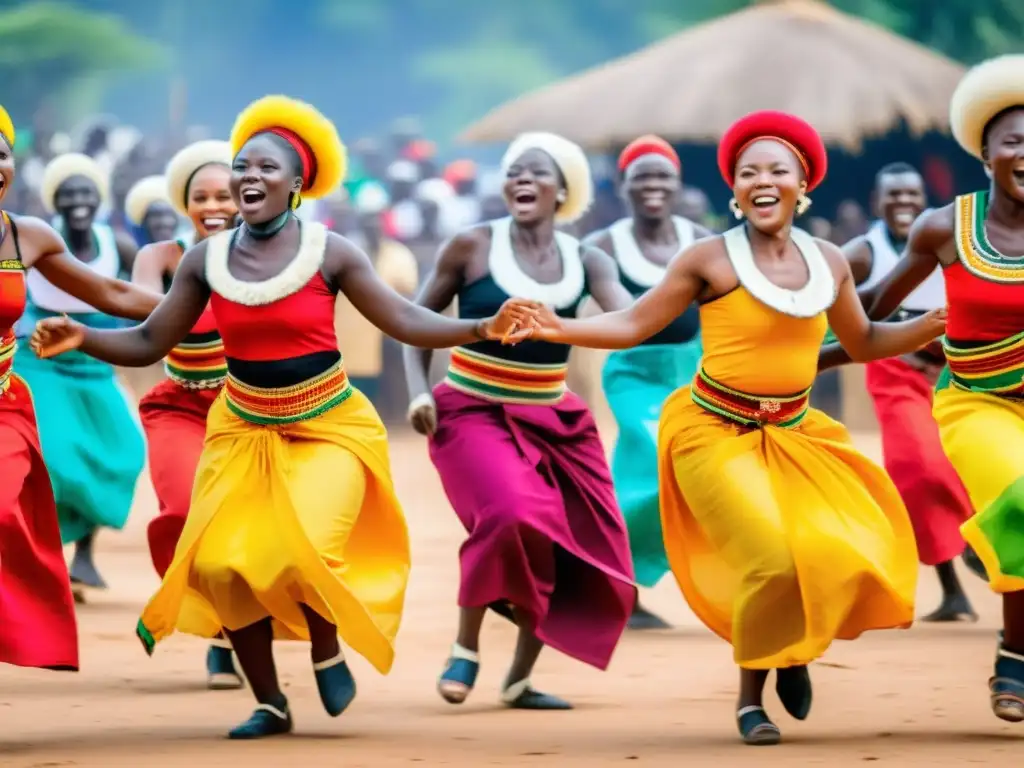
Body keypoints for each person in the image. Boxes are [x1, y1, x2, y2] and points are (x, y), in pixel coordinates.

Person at [30, 95, 532, 739]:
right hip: (241, 426)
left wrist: (481, 326)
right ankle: (269, 700)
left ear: (297, 184)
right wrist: (85, 337)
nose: (248, 178)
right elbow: (151, 340)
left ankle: (326, 642)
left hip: (328, 425)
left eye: (266, 168)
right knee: (217, 565)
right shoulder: (204, 260)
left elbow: (404, 318)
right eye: (241, 167)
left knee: (305, 545)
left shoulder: (332, 252)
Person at [518, 111, 944, 744]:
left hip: (796, 433)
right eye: (749, 172)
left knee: (833, 548)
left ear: (804, 186)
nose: (762, 180)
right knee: (769, 555)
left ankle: (793, 650)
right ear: (734, 190)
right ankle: (751, 700)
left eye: (778, 170)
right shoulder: (707, 260)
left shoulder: (830, 262)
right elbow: (633, 324)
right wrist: (558, 326)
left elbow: (862, 340)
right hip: (711, 432)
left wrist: (933, 324)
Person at [821, 54, 1024, 724]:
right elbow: (873, 305)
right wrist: (810, 355)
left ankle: (1010, 631)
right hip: (979, 403)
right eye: (1014, 141)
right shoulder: (945, 227)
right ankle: (1017, 658)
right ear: (986, 152)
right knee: (1022, 501)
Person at [403, 131, 638, 711]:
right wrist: (417, 393)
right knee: (513, 513)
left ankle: (520, 677)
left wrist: (689, 287)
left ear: (563, 190)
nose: (522, 181)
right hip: (471, 410)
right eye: (513, 173)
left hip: (556, 419)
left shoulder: (588, 258)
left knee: (571, 540)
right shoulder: (471, 247)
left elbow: (627, 319)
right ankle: (466, 644)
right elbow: (413, 324)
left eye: (536, 173)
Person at [0, 104, 161, 674]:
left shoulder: (27, 236)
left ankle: (71, 568)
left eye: (1, 152)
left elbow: (114, 296)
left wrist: (205, 296)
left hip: (7, 400)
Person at [131, 140, 244, 690]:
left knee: (247, 528)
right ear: (185, 203)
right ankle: (216, 626)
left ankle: (239, 632)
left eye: (224, 193)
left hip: (250, 411)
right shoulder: (161, 258)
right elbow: (142, 307)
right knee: (182, 513)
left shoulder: (269, 256)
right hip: (180, 406)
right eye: (200, 196)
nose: (213, 205)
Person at [587, 135, 712, 630]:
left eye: (663, 177)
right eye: (642, 177)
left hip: (694, 370)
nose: (653, 186)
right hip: (634, 372)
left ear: (678, 186)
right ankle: (620, 586)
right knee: (650, 460)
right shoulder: (604, 245)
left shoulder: (701, 240)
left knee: (694, 473)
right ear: (623, 187)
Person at [843, 162, 977, 622]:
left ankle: (965, 572)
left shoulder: (949, 240)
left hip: (954, 374)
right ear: (876, 203)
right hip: (893, 373)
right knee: (919, 469)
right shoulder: (863, 252)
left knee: (966, 465)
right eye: (893, 195)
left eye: (911, 195)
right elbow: (830, 293)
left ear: (925, 200)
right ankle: (958, 575)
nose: (903, 203)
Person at [14, 151, 145, 598]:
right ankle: (45, 558)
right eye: (67, 192)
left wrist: (192, 307)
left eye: (86, 190)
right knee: (58, 458)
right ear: (55, 199)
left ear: (99, 196)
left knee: (119, 453)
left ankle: (85, 553)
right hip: (41, 362)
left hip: (96, 363)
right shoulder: (33, 241)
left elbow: (124, 292)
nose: (78, 200)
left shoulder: (117, 245)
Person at [125, 174, 179, 246]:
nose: (165, 222)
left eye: (169, 214)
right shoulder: (128, 252)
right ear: (144, 221)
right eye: (156, 215)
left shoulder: (187, 252)